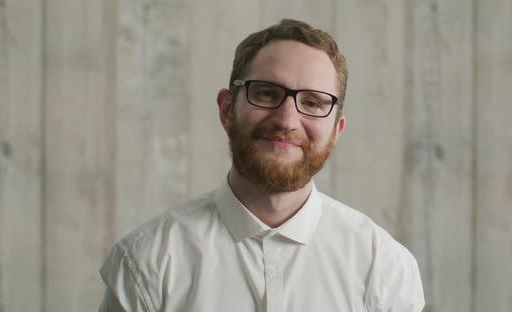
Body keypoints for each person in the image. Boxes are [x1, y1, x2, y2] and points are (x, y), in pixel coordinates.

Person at [99, 19, 425, 312]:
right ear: (227, 109)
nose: (287, 120)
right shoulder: (148, 263)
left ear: (336, 131)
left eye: (312, 102)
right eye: (267, 93)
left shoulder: (384, 269)